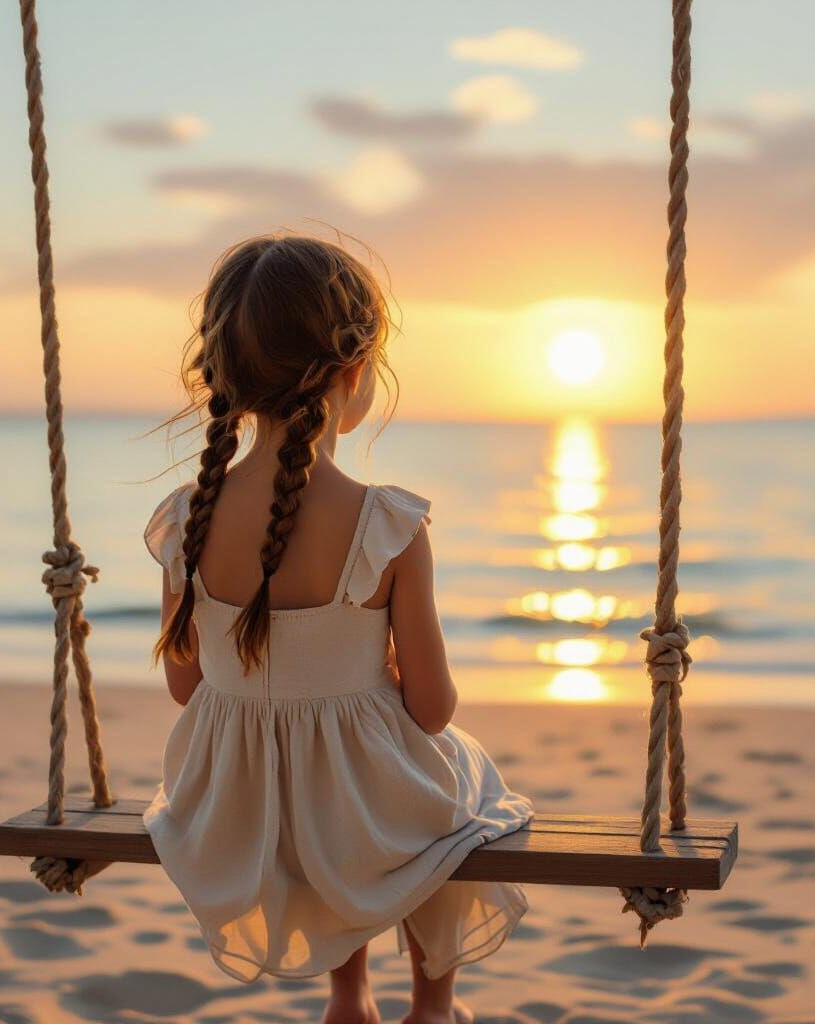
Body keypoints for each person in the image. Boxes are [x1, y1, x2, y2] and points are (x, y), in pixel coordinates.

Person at [144, 234, 534, 1024]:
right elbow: (431, 708)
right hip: (352, 814)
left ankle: (348, 995)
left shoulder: (187, 519)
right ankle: (432, 1005)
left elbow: (187, 688)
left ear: (223, 377)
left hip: (234, 807)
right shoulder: (387, 523)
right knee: (458, 790)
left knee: (328, 782)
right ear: (352, 373)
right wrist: (376, 675)